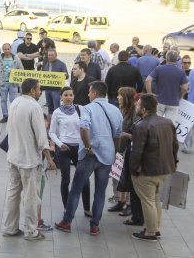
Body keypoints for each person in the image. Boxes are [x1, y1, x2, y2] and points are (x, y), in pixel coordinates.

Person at [55, 81, 123, 236]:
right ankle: (95, 226)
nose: (87, 94)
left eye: (89, 91)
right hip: (107, 155)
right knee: (100, 192)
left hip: (90, 155)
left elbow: (84, 127)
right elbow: (118, 134)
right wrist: (114, 150)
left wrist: (87, 147)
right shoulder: (115, 110)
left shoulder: (88, 108)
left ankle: (67, 221)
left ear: (94, 93)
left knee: (76, 188)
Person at [2, 79, 56, 241]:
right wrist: (50, 160)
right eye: (39, 89)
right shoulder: (34, 107)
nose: (40, 92)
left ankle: (10, 228)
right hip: (29, 160)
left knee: (13, 194)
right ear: (33, 90)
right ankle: (31, 231)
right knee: (31, 197)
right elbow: (41, 139)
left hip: (13, 156)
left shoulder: (15, 102)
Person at [129, 93, 178, 242]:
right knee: (155, 199)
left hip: (146, 171)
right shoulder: (167, 122)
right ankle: (155, 228)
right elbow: (174, 145)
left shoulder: (141, 125)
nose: (136, 106)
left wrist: (133, 170)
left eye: (138, 105)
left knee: (148, 201)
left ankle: (150, 232)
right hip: (164, 169)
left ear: (143, 109)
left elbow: (137, 152)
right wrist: (173, 162)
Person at [48, 87, 91, 220]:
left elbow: (88, 126)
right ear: (61, 97)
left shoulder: (81, 109)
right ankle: (67, 208)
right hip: (64, 149)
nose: (68, 97)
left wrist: (87, 144)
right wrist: (60, 144)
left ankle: (87, 208)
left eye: (71, 95)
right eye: (65, 95)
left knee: (85, 179)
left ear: (74, 96)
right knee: (65, 179)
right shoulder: (57, 112)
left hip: (79, 148)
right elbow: (52, 132)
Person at [110, 87, 142, 225]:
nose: (117, 98)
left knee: (126, 177)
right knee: (117, 176)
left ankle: (128, 204)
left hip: (127, 149)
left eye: (120, 95)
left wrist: (125, 135)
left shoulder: (134, 113)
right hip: (119, 148)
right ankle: (120, 201)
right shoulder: (121, 111)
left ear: (126, 98)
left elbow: (136, 133)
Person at [146, 50, 189, 124]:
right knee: (169, 126)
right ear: (177, 59)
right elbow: (185, 88)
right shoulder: (181, 72)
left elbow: (148, 80)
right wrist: (180, 96)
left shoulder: (159, 68)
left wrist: (150, 93)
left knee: (155, 124)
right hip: (173, 102)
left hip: (159, 100)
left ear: (166, 58)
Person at [0, 43, 23, 123]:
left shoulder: (16, 58)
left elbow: (21, 69)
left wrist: (17, 78)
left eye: (8, 49)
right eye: (5, 49)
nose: (7, 51)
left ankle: (13, 115)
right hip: (3, 83)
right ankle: (5, 115)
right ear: (3, 50)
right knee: (3, 100)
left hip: (13, 84)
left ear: (11, 49)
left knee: (13, 101)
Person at [42, 49, 68, 115]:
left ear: (56, 55)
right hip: (47, 89)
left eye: (52, 55)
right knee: (49, 106)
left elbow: (67, 76)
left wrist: (64, 75)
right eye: (49, 55)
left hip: (56, 90)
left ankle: (57, 120)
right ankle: (50, 120)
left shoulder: (61, 64)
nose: (50, 57)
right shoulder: (47, 64)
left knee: (56, 107)